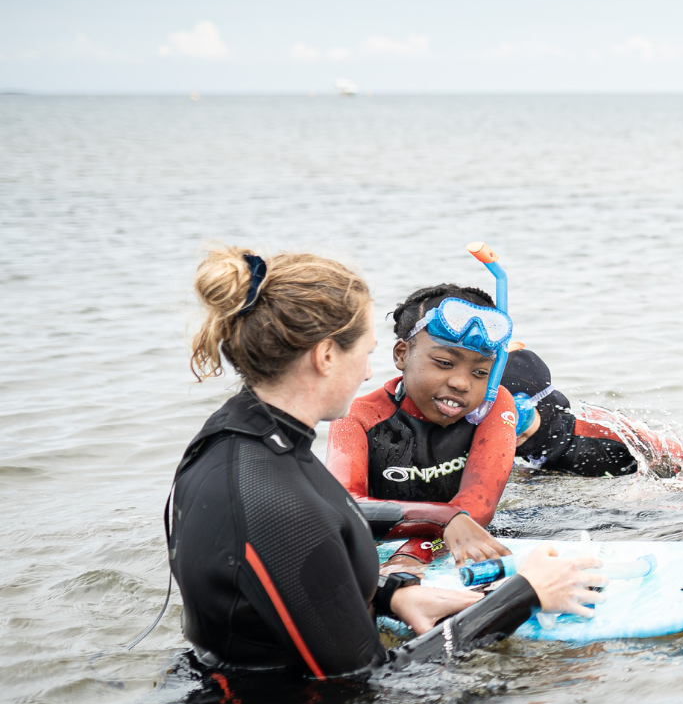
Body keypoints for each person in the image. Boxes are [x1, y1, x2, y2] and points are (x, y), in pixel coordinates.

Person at [173, 247, 605, 681]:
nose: (366, 373)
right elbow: (368, 679)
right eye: (366, 352)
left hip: (224, 697)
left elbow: (295, 582)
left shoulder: (233, 441)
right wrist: (524, 594)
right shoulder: (274, 498)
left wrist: (390, 597)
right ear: (326, 356)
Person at [325, 281, 522, 565]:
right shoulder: (359, 416)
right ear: (401, 354)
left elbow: (477, 508)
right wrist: (439, 522)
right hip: (385, 544)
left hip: (450, 540)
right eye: (444, 362)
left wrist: (413, 554)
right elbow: (345, 507)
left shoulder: (493, 405)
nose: (461, 383)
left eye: (480, 371)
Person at [501, 347, 683, 481]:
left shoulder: (602, 435)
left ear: (542, 403)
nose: (508, 432)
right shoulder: (501, 444)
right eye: (493, 420)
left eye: (516, 417)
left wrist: (643, 496)